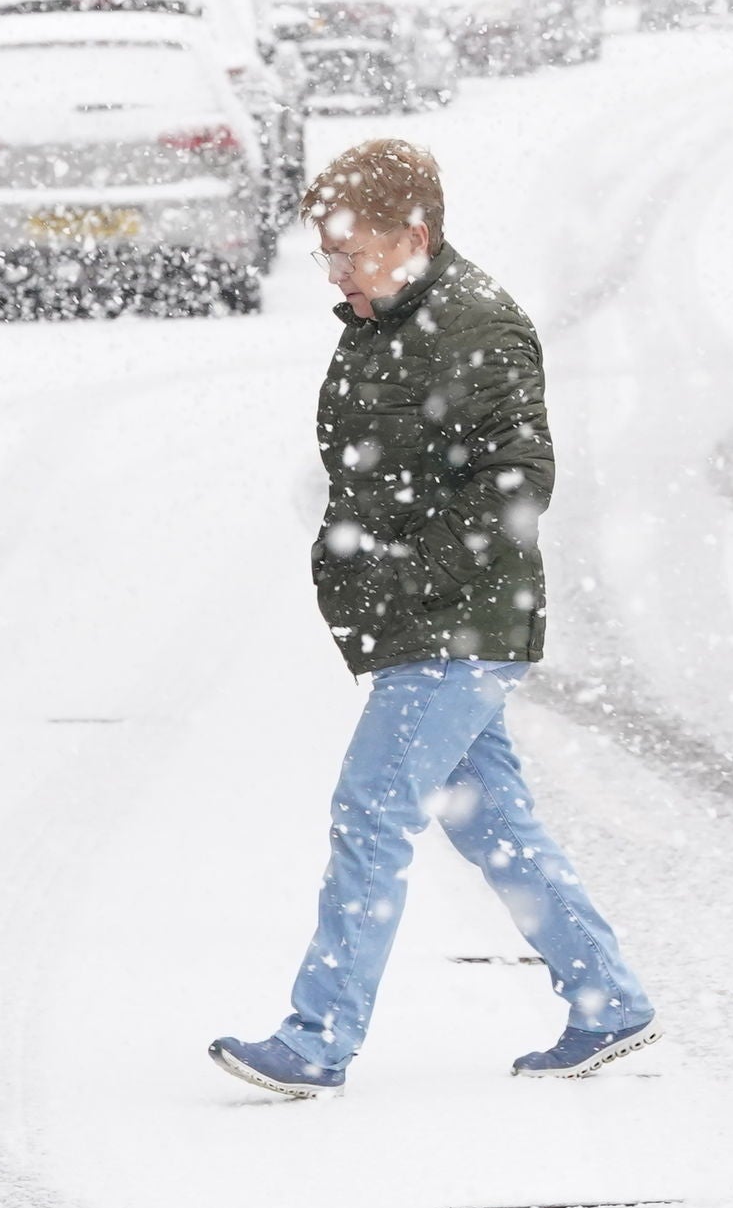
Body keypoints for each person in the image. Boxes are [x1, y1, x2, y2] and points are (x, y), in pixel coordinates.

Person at [210, 139, 659, 1096]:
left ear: (415, 236)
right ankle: (609, 1001)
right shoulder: (388, 317)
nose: (336, 273)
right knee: (492, 818)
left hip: (461, 624)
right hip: (425, 620)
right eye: (327, 255)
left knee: (370, 809)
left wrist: (408, 576)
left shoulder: (477, 328)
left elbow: (518, 484)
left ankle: (318, 1036)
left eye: (351, 253)